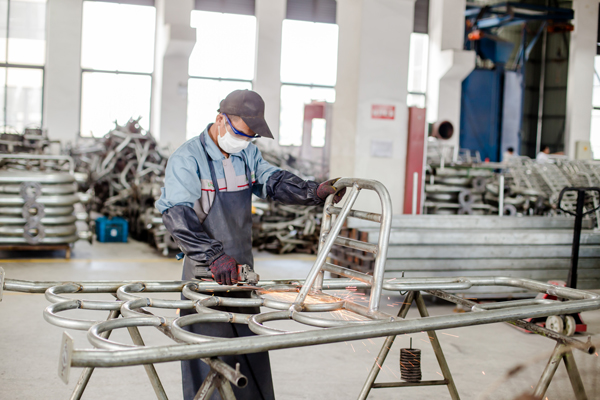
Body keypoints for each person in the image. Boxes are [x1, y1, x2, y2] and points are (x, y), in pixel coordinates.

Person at [155, 89, 345, 400]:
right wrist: (214, 257)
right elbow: (178, 217)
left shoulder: (246, 154)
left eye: (251, 137)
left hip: (243, 277)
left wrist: (314, 191)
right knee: (212, 367)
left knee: (251, 362)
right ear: (220, 120)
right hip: (206, 280)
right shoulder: (187, 159)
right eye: (242, 133)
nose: (245, 141)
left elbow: (273, 181)